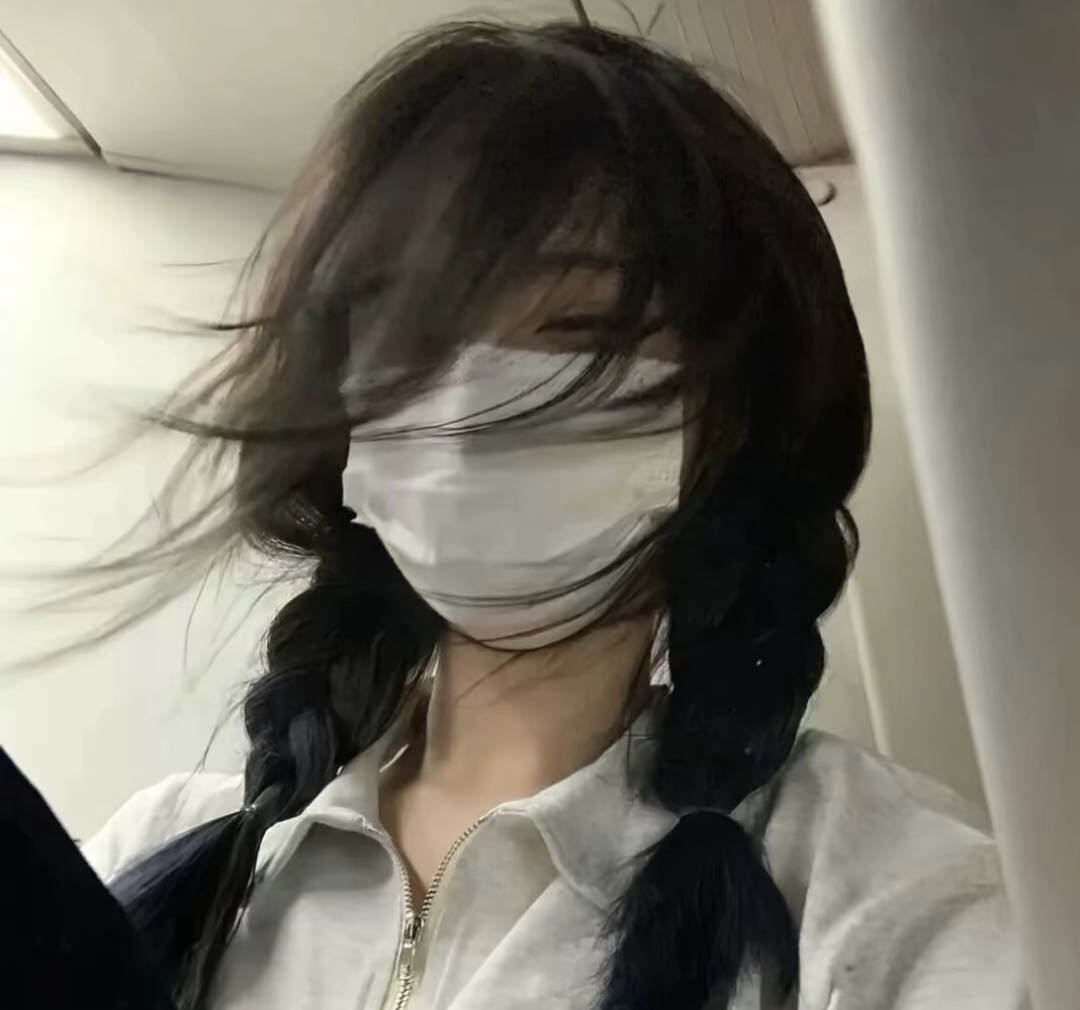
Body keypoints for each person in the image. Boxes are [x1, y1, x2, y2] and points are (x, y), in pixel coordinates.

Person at [81, 22, 1026, 1010]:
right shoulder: (151, 857)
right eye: (405, 328)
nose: (463, 402)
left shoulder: (876, 895)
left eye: (578, 326)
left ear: (726, 420)